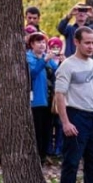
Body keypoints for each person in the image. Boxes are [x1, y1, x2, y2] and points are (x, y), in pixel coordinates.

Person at [54, 27, 93, 183]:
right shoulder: (67, 66)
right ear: (76, 42)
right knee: (72, 162)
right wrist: (66, 122)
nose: (91, 46)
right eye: (87, 42)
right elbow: (59, 94)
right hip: (76, 116)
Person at [27, 32, 58, 164]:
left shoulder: (47, 57)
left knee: (47, 128)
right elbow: (32, 74)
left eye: (44, 42)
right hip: (36, 99)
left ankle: (44, 155)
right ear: (32, 44)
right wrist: (43, 60)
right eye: (38, 42)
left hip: (49, 99)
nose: (42, 45)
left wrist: (60, 61)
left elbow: (57, 71)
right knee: (37, 129)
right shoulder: (28, 57)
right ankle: (37, 156)